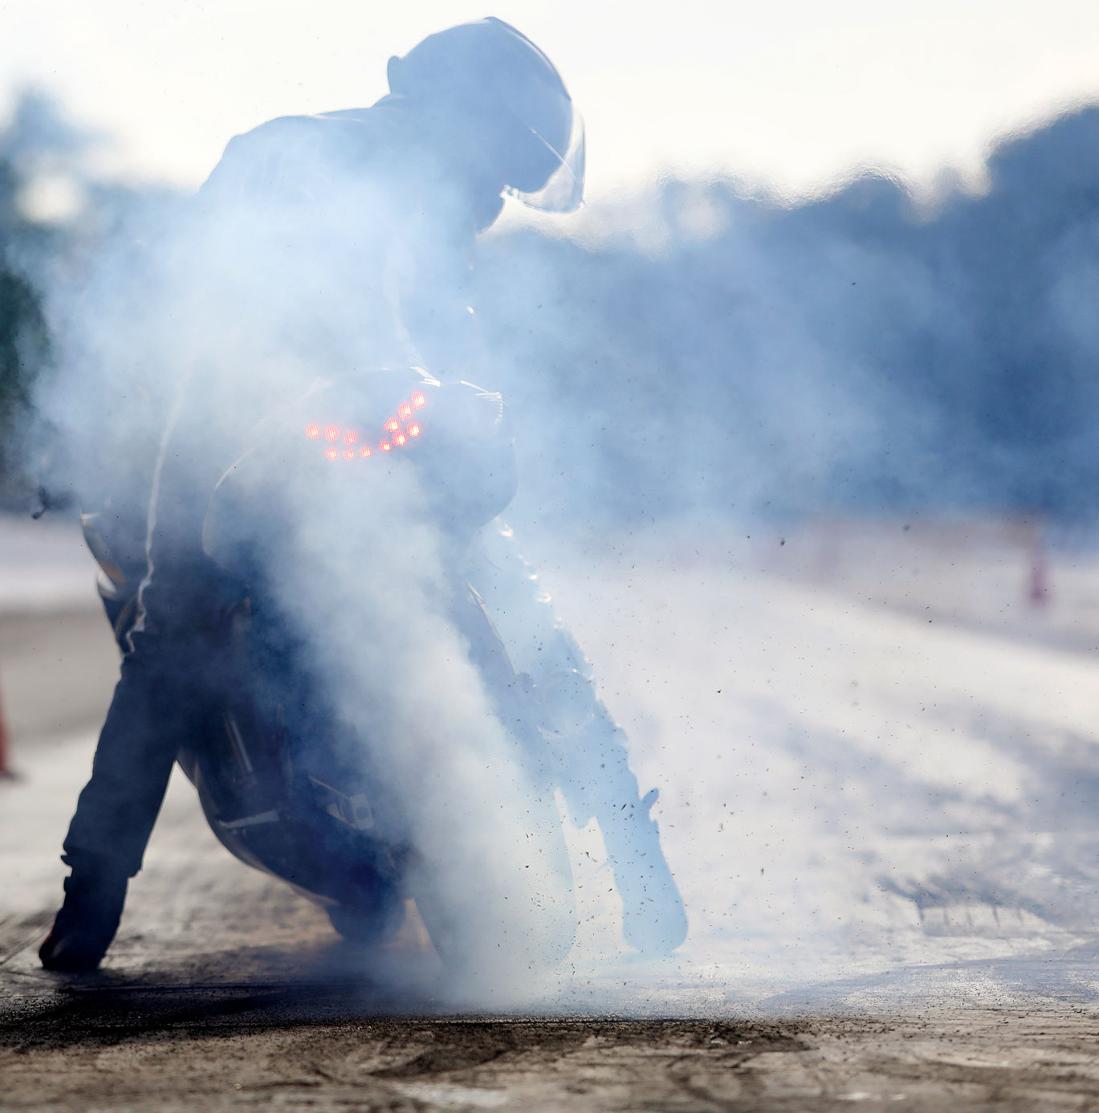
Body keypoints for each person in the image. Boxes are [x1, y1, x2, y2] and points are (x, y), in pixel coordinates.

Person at [39, 17, 681, 973]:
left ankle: (636, 849)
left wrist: (470, 409)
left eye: (508, 181)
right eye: (495, 169)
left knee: (500, 580)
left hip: (373, 437)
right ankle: (92, 890)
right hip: (227, 432)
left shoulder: (417, 207)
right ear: (451, 119)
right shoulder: (297, 158)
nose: (493, 196)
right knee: (175, 626)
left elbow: (446, 348)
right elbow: (185, 312)